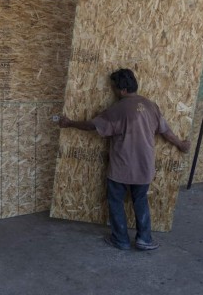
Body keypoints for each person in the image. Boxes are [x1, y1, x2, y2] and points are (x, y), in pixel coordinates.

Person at [59, 68, 190, 251]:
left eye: (113, 88)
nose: (113, 91)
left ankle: (120, 239)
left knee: (115, 201)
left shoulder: (117, 109)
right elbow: (165, 131)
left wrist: (70, 123)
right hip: (145, 166)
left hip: (122, 167)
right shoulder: (151, 105)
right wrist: (180, 144)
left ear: (121, 89)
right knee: (141, 199)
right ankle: (145, 239)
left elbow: (92, 126)